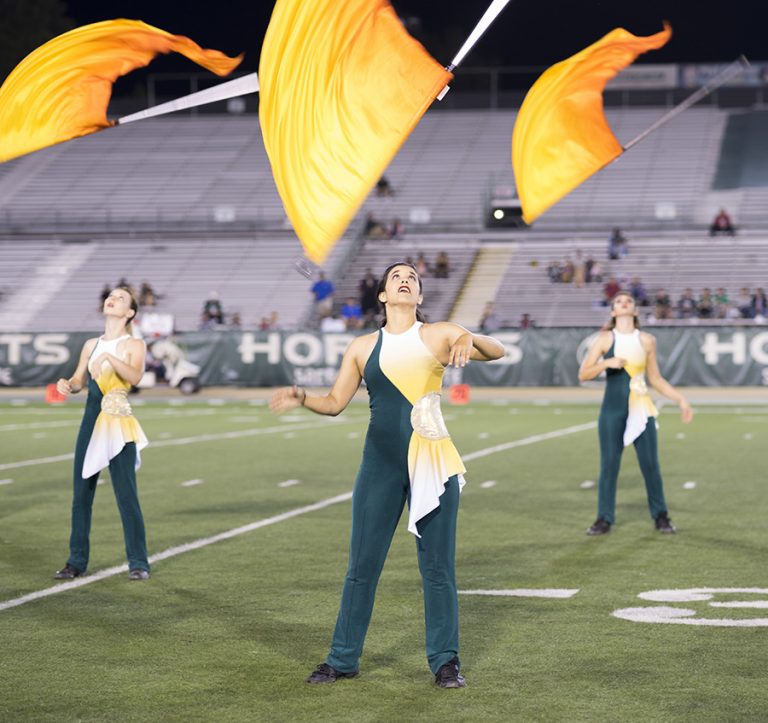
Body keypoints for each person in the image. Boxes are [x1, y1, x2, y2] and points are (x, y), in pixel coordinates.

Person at [270, 262, 505, 688]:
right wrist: (302, 395)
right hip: (379, 464)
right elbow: (335, 402)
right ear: (382, 295)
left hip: (432, 462)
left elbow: (497, 350)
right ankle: (342, 658)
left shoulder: (439, 333)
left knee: (437, 568)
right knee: (361, 565)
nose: (404, 280)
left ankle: (445, 661)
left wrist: (469, 337)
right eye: (396, 276)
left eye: (412, 278)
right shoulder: (362, 346)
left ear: (418, 296)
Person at [53, 287, 150, 580]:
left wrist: (109, 360)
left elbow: (135, 377)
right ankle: (76, 561)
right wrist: (68, 385)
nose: (112, 298)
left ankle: (138, 563)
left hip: (118, 421)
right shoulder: (90, 344)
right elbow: (79, 380)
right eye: (111, 295)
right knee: (81, 495)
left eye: (121, 298)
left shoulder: (135, 344)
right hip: (91, 419)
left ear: (130, 312)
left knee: (126, 495)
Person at [578, 291, 693, 536]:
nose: (624, 302)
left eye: (628, 300)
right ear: (613, 311)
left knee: (651, 465)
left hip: (641, 408)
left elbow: (656, 379)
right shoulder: (604, 339)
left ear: (635, 310)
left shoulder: (647, 340)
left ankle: (661, 516)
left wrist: (681, 400)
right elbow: (583, 374)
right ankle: (604, 519)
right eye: (618, 301)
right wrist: (605, 364)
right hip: (612, 408)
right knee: (609, 465)